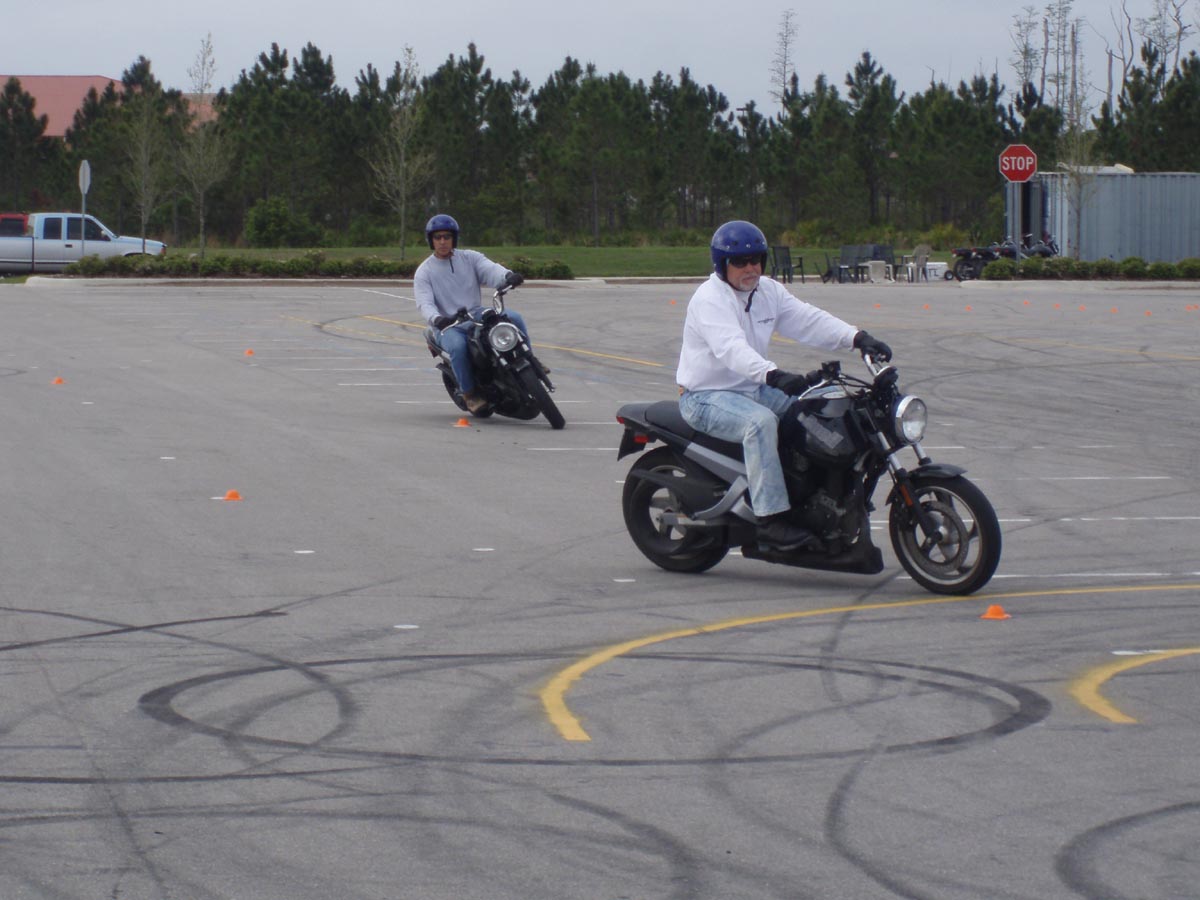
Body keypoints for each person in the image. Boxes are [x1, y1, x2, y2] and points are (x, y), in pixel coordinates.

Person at [675, 220, 892, 551]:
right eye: (740, 261)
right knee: (760, 424)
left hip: (752, 388)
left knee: (816, 410)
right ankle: (770, 521)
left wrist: (857, 338)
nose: (750, 267)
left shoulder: (768, 291)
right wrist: (773, 375)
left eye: (756, 259)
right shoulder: (710, 299)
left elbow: (808, 320)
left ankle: (816, 498)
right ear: (722, 264)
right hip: (706, 396)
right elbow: (731, 349)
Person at [414, 214, 527, 413]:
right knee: (458, 347)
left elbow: (491, 270)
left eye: (447, 237)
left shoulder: (470, 258)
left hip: (476, 314)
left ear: (454, 238)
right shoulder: (424, 271)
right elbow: (425, 303)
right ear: (431, 240)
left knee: (514, 318)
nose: (442, 241)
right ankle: (469, 394)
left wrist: (508, 276)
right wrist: (437, 319)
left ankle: (529, 361)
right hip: (448, 325)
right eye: (438, 237)